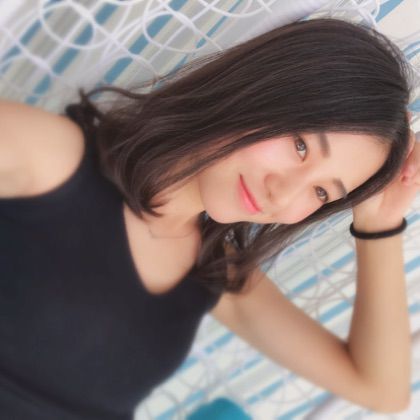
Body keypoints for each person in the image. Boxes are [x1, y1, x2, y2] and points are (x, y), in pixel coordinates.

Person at [0, 17, 419, 420]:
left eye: (323, 192)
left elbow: (380, 390)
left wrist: (379, 222)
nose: (284, 192)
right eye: (300, 146)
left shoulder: (214, 271)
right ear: (261, 90)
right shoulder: (49, 158)